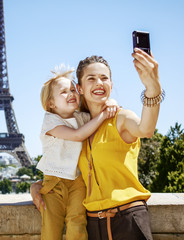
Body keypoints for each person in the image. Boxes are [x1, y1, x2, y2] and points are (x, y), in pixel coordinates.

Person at [31, 49, 164, 240]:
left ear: (111, 84)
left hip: (128, 219)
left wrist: (153, 89)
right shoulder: (79, 126)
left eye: (104, 78)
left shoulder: (121, 117)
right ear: (80, 88)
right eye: (91, 78)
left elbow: (146, 129)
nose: (99, 83)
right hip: (93, 225)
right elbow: (66, 167)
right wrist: (38, 185)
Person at [36, 64, 118, 240]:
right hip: (54, 183)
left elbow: (98, 114)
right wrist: (104, 115)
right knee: (51, 227)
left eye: (73, 89)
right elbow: (77, 135)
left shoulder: (82, 118)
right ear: (50, 103)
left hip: (78, 181)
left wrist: (110, 102)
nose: (72, 94)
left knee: (77, 223)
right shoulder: (50, 121)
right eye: (64, 91)